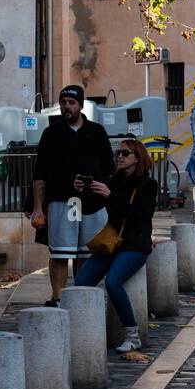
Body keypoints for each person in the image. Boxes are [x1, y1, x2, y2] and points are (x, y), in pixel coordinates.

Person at [71, 138, 158, 353]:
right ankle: (87, 331)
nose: (120, 156)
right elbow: (91, 206)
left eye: (125, 153)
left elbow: (140, 214)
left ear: (138, 159)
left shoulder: (148, 185)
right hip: (111, 243)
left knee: (113, 282)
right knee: (81, 281)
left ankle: (132, 333)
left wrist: (111, 196)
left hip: (136, 244)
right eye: (118, 153)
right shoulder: (113, 181)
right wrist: (81, 191)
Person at [30, 85, 114, 307]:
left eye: (71, 102)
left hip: (93, 203)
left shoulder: (97, 132)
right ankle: (57, 296)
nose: (67, 106)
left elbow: (109, 169)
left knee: (87, 253)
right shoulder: (51, 134)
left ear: (80, 105)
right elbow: (40, 174)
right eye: (63, 102)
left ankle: (82, 295)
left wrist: (104, 190)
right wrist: (38, 208)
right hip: (61, 201)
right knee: (59, 252)